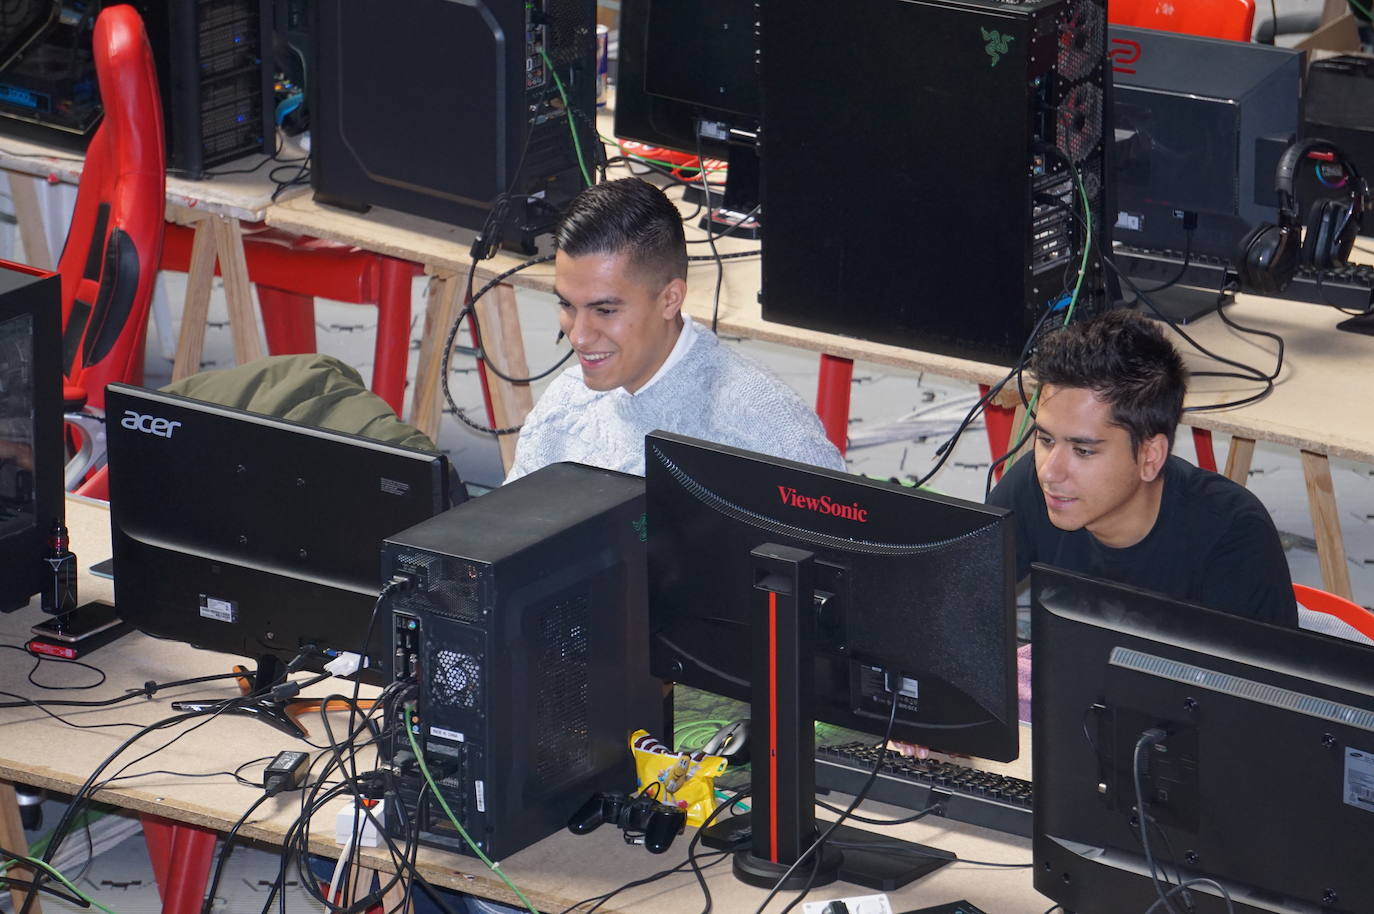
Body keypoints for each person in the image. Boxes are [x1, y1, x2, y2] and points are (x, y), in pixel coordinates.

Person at [505, 177, 844, 482]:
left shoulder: (764, 425)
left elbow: (844, 542)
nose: (578, 336)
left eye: (605, 310)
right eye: (566, 305)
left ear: (670, 299)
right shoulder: (564, 404)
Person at [988, 309, 1297, 627]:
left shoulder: (1233, 536)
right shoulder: (1031, 487)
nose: (1050, 473)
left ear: (1150, 457)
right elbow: (955, 597)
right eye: (1046, 440)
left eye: (1083, 450)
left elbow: (1256, 677)